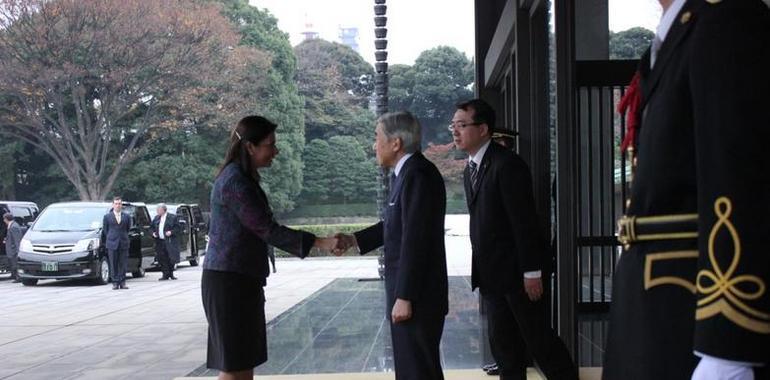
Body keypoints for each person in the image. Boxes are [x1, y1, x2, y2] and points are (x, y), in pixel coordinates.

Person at [604, 1, 770, 379]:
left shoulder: (728, 17)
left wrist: (728, 345)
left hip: (691, 310)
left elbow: (741, 178)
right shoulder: (677, 30)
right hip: (658, 303)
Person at [201, 115, 337, 380]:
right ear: (250, 147)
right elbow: (267, 229)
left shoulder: (241, 178)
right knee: (235, 369)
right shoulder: (235, 182)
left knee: (242, 367)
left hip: (239, 281)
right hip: (230, 284)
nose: (276, 151)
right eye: (270, 145)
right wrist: (323, 242)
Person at [452, 99, 577, 380]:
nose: (455, 131)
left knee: (540, 342)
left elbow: (525, 223)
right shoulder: (471, 168)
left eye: (461, 125)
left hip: (519, 275)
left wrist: (532, 271)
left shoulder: (507, 164)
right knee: (504, 347)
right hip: (491, 275)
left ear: (483, 128)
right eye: (453, 125)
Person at [335, 111, 448, 380]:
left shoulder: (417, 175)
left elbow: (415, 240)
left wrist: (405, 296)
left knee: (418, 372)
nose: (374, 145)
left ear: (396, 143)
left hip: (418, 298)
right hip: (413, 295)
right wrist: (354, 240)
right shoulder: (405, 174)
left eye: (377, 138)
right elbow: (394, 226)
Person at [102, 196, 131, 290]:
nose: (118, 205)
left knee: (123, 263)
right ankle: (115, 282)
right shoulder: (107, 217)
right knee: (113, 263)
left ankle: (122, 282)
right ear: (113, 205)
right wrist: (112, 237)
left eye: (119, 204)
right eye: (116, 204)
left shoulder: (126, 216)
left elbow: (127, 228)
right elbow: (106, 230)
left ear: (121, 205)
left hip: (123, 242)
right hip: (112, 243)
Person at [151, 204, 180, 281]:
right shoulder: (156, 218)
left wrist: (171, 232)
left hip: (169, 241)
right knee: (161, 258)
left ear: (163, 210)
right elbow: (151, 227)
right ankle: (165, 274)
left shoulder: (172, 217)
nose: (157, 211)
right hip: (160, 241)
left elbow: (178, 228)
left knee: (171, 257)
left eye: (158, 210)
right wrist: (153, 233)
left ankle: (171, 273)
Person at [3, 213, 23, 283]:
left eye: (4, 219)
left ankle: (19, 277)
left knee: (15, 263)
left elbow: (17, 240)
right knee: (12, 263)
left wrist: (18, 251)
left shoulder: (14, 226)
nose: (4, 221)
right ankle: (14, 275)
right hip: (11, 249)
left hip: (13, 249)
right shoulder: (11, 225)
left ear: (6, 219)